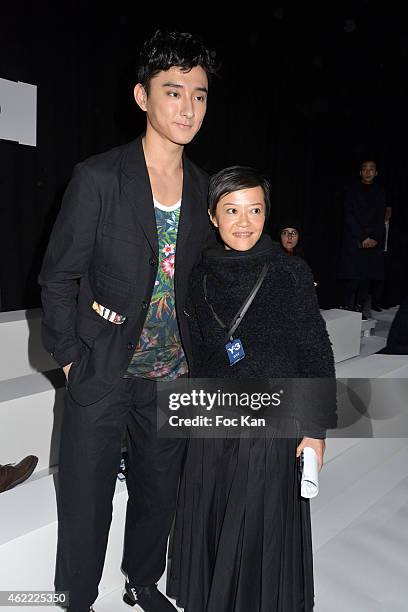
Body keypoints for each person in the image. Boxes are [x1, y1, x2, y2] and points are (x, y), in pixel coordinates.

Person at [39, 30, 217, 612]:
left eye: (199, 95)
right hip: (102, 371)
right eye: (173, 92)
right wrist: (70, 358)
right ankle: (76, 600)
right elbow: (58, 277)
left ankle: (142, 583)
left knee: (157, 495)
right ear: (142, 97)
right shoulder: (98, 178)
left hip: (173, 377)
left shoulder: (204, 189)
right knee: (86, 501)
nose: (188, 108)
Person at [167, 166, 337, 611]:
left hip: (271, 428)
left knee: (261, 539)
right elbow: (201, 353)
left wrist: (315, 429)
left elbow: (316, 350)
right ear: (212, 215)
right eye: (232, 210)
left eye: (255, 209)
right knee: (215, 532)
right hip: (215, 425)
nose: (244, 222)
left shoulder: (290, 273)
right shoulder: (198, 276)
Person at [337, 159, 387, 317]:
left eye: (371, 169)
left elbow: (381, 218)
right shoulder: (351, 190)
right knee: (353, 278)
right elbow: (349, 215)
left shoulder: (380, 192)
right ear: (360, 172)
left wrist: (374, 238)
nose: (368, 172)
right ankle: (344, 309)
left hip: (373, 242)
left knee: (367, 278)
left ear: (376, 172)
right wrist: (363, 237)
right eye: (365, 169)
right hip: (354, 240)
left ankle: (360, 310)